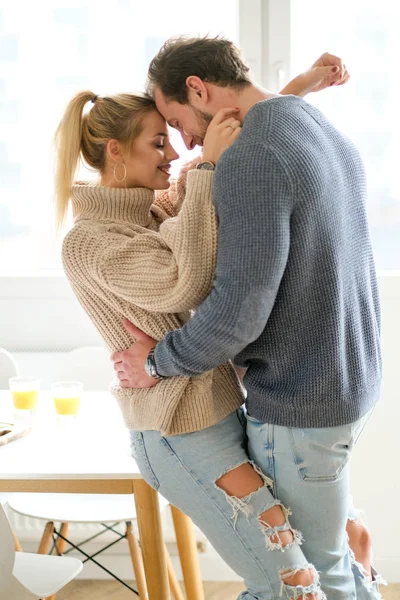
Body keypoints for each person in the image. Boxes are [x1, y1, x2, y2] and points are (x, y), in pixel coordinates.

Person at [111, 37, 384, 599]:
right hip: (348, 380)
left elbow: (240, 311)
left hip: (300, 400)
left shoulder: (252, 157)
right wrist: (304, 83)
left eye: (176, 119)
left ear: (197, 88)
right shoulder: (310, 125)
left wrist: (158, 362)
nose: (185, 141)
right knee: (331, 562)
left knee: (314, 575)